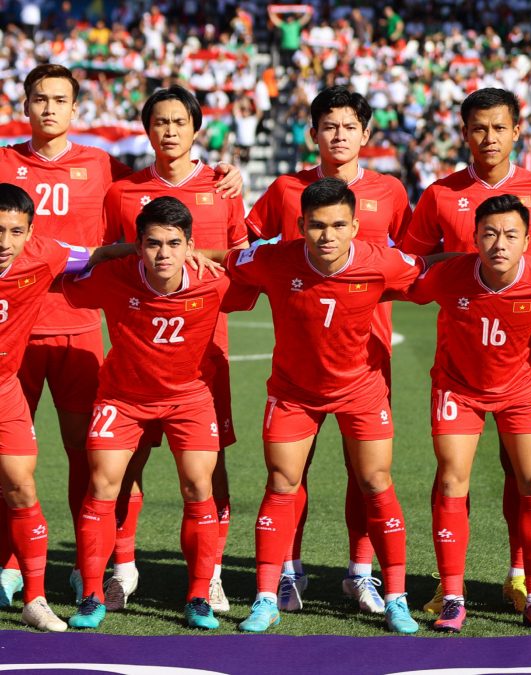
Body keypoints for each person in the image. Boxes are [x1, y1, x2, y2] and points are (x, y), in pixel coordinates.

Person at [0, 64, 241, 608]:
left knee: (95, 461)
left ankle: (127, 566)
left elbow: (178, 203)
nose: (48, 109)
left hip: (85, 331)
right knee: (10, 460)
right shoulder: (9, 162)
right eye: (39, 98)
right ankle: (12, 563)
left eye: (60, 99)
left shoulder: (104, 168)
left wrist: (226, 176)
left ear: (75, 109)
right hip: (14, 327)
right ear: (25, 104)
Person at [401, 87, 531, 615]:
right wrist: (452, 266)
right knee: (453, 474)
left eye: (498, 127)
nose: (488, 138)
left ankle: (520, 576)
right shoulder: (441, 195)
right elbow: (406, 263)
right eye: (478, 128)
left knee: (523, 474)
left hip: (524, 364)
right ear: (465, 133)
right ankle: (452, 584)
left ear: (517, 130)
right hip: (461, 361)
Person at [222, 178, 424, 634]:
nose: (327, 235)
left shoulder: (383, 262)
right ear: (299, 226)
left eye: (337, 225)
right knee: (281, 483)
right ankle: (267, 599)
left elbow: (431, 274)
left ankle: (395, 597)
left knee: (376, 482)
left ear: (356, 226)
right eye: (316, 226)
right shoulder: (273, 259)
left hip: (362, 389)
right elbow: (225, 261)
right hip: (294, 392)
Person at [247, 84, 413, 616]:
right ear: (312, 133)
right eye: (328, 126)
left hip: (368, 355)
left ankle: (361, 573)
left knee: (365, 475)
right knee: (291, 473)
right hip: (301, 361)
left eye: (349, 127)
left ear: (366, 133)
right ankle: (288, 574)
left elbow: (412, 262)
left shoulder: (390, 191)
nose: (338, 136)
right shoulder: (284, 189)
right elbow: (245, 246)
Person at [99, 85, 248, 615]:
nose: (168, 131)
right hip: (138, 356)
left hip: (206, 356)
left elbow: (239, 257)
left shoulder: (223, 185)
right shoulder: (123, 192)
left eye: (178, 122)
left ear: (195, 127)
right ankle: (121, 569)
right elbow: (115, 258)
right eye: (158, 122)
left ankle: (209, 579)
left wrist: (200, 256)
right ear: (147, 129)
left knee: (210, 470)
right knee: (125, 466)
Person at [63, 197, 232, 631]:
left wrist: (209, 256)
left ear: (189, 245)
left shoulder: (215, 281)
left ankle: (198, 595)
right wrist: (112, 251)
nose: (163, 254)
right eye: (152, 243)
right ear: (138, 246)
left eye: (174, 244)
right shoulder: (113, 277)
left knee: (199, 485)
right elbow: (57, 272)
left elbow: (263, 260)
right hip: (122, 398)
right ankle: (92, 594)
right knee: (101, 483)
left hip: (188, 398)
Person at [0, 182, 128, 631]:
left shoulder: (45, 253)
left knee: (22, 486)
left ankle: (34, 598)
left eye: (15, 232)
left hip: (4, 392)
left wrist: (161, 244)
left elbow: (96, 254)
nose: (4, 243)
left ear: (30, 232)